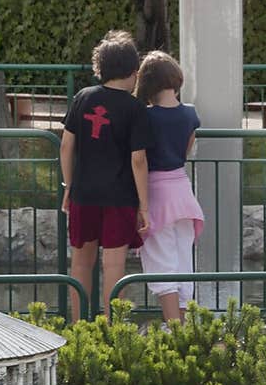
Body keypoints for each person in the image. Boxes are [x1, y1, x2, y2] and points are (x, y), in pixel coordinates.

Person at [60, 31, 151, 320]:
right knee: (114, 267)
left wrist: (69, 186)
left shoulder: (83, 97)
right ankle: (113, 331)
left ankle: (78, 328)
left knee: (81, 264)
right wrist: (144, 206)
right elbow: (138, 160)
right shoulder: (135, 109)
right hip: (119, 198)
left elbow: (65, 145)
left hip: (83, 194)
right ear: (134, 72)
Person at [134, 50, 204, 323]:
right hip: (182, 191)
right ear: (176, 80)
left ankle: (173, 328)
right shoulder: (189, 115)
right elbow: (187, 147)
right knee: (183, 260)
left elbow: (139, 156)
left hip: (156, 194)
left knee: (161, 262)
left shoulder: (145, 117)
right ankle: (185, 327)